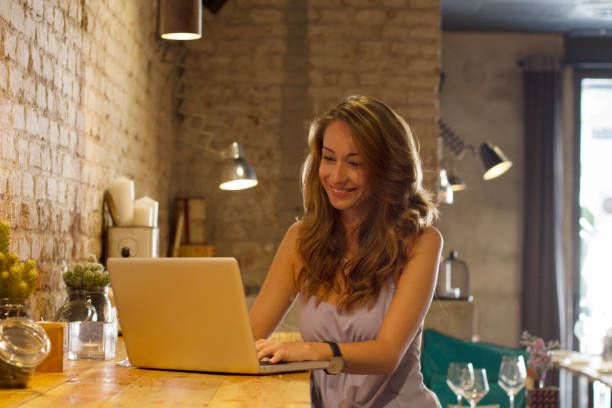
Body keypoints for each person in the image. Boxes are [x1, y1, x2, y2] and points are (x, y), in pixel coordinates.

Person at [249, 95, 443, 408]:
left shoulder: (421, 243)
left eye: (354, 163)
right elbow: (249, 335)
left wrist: (313, 351)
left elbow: (387, 354)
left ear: (387, 169)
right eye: (329, 158)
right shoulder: (300, 239)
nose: (336, 177)